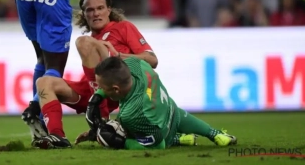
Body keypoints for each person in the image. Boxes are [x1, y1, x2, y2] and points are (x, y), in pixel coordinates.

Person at [21, 0, 193, 149]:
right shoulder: (91, 39)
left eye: (100, 8)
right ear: (84, 15)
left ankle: (100, 119)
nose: (95, 13)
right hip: (92, 89)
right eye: (90, 10)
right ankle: (57, 137)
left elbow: (152, 60)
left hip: (121, 86)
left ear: (109, 10)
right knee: (44, 82)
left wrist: (118, 55)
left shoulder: (124, 28)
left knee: (83, 42)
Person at [85, 57, 238, 150]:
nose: (99, 89)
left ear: (116, 89)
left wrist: (120, 142)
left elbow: (157, 145)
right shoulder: (135, 64)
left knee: (137, 135)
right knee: (180, 116)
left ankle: (175, 139)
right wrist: (98, 96)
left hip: (161, 132)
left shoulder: (131, 115)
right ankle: (216, 134)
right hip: (172, 110)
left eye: (101, 88)